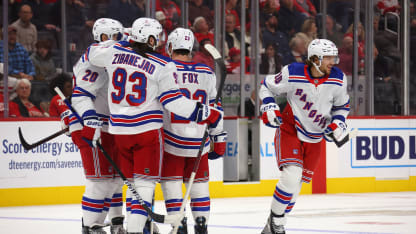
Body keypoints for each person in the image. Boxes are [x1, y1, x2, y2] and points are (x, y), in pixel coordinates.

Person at [85, 17, 222, 233]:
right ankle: (137, 230)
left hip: (119, 130)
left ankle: (134, 225)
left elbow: (93, 52)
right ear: (150, 38)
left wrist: (122, 40)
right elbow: (173, 101)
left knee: (130, 183)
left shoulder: (114, 53)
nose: (158, 41)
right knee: (144, 186)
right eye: (156, 37)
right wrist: (202, 111)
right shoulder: (162, 64)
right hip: (147, 133)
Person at [259, 39, 350, 234]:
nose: (333, 62)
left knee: (294, 192)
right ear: (315, 58)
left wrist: (337, 124)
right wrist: (269, 106)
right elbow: (266, 86)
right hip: (290, 129)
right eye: (328, 57)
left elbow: (342, 107)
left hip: (315, 138)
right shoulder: (293, 72)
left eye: (333, 57)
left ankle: (271, 224)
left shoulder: (338, 78)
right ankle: (277, 223)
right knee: (291, 176)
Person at [161, 27, 227, 234]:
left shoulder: (164, 69)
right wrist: (219, 137)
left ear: (170, 46)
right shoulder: (206, 72)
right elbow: (216, 109)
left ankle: (178, 225)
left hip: (171, 140)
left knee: (171, 185)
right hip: (200, 141)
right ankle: (201, 225)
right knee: (199, 188)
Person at [66, 18, 128, 234]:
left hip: (112, 126)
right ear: (100, 38)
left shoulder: (116, 56)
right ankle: (91, 226)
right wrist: (90, 120)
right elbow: (80, 96)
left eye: (117, 37)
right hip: (94, 127)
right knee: (99, 181)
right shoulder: (92, 59)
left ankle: (117, 222)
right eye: (109, 37)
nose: (113, 41)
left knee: (116, 179)